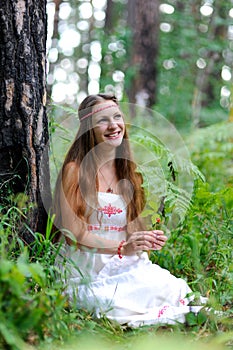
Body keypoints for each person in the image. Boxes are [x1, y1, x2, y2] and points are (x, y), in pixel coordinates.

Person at [53, 93, 205, 327]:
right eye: (102, 120)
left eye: (117, 116)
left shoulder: (128, 171)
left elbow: (129, 228)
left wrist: (144, 240)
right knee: (112, 300)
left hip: (122, 260)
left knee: (172, 287)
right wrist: (123, 247)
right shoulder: (75, 169)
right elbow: (74, 234)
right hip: (85, 267)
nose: (113, 125)